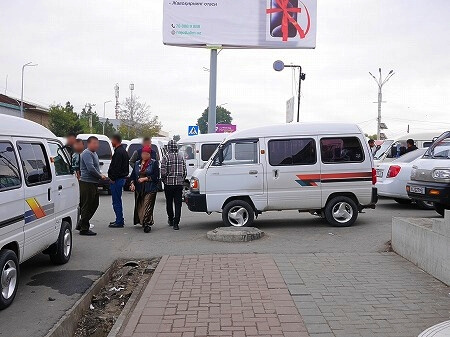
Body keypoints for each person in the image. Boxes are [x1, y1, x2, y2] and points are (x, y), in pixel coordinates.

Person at [78, 136, 107, 236]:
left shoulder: (94, 153)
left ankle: (81, 223)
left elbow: (95, 167)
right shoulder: (86, 153)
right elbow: (90, 168)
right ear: (88, 144)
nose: (96, 145)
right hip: (87, 182)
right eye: (94, 143)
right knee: (87, 205)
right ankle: (84, 228)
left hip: (93, 182)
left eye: (97, 143)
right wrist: (100, 176)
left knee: (95, 204)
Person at [129, 146, 159, 233]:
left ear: (149, 155)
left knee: (147, 206)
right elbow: (133, 176)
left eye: (146, 154)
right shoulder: (137, 163)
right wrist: (132, 184)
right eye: (143, 154)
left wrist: (145, 179)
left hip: (150, 188)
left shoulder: (153, 163)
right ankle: (142, 221)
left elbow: (156, 177)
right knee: (140, 206)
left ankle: (146, 224)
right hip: (139, 188)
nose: (144, 156)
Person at [161, 140, 186, 231]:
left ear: (168, 147)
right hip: (179, 184)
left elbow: (163, 172)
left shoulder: (166, 157)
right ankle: (176, 223)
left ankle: (171, 219)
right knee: (178, 203)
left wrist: (164, 180)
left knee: (169, 202)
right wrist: (181, 180)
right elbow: (185, 171)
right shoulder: (181, 157)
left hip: (169, 184)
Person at [108, 134, 130, 228]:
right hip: (120, 178)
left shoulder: (119, 152)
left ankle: (119, 221)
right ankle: (119, 219)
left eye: (112, 140)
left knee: (116, 201)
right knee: (117, 200)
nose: (111, 142)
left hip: (117, 180)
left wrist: (112, 178)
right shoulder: (122, 151)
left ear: (115, 140)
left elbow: (116, 167)